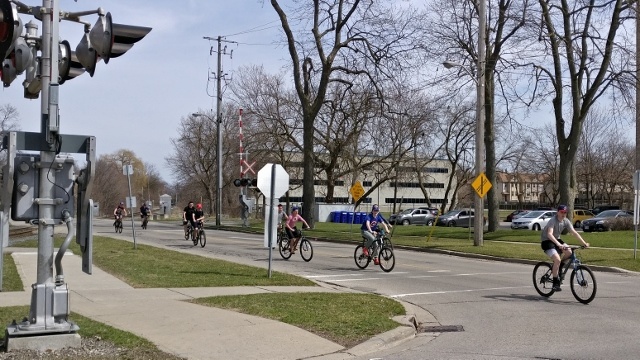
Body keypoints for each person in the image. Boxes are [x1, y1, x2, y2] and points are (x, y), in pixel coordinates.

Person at [541, 205, 590, 291]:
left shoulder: (566, 221)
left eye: (565, 212)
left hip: (556, 240)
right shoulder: (553, 220)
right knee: (557, 259)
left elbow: (574, 233)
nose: (563, 214)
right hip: (547, 241)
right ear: (558, 212)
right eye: (561, 212)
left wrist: (584, 243)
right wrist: (558, 244)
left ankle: (559, 268)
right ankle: (555, 283)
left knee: (569, 252)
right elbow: (549, 234)